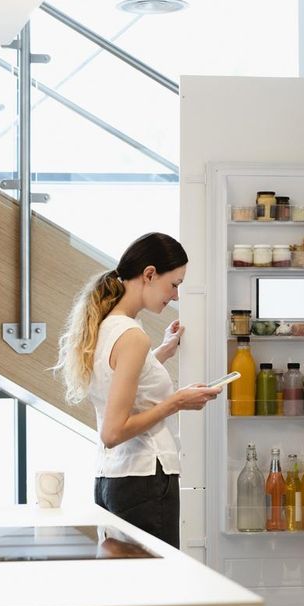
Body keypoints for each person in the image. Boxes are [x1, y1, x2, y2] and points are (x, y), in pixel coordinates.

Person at [54, 232, 220, 548]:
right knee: (155, 590)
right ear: (148, 274)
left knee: (126, 586)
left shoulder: (107, 327)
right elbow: (113, 432)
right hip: (146, 478)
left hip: (112, 480)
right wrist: (177, 402)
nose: (176, 295)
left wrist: (162, 352)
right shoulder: (132, 336)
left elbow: (123, 383)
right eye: (175, 284)